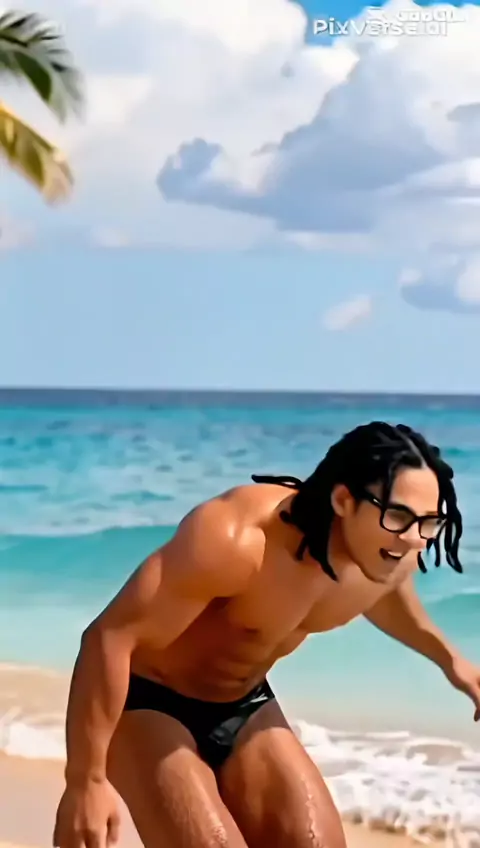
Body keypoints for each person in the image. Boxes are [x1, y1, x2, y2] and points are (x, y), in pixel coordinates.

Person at [53, 421, 480, 848]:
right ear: (344, 500)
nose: (415, 539)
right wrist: (85, 782)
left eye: (429, 522)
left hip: (245, 704)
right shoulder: (237, 540)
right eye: (398, 516)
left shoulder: (389, 554)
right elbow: (109, 638)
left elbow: (390, 602)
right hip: (147, 701)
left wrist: (452, 662)